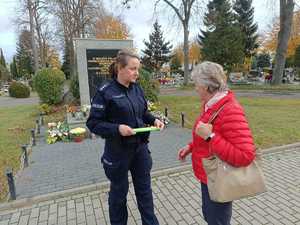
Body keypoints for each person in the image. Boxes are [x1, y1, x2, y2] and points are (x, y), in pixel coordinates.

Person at [86, 49, 164, 225]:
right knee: (119, 195)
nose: (137, 73)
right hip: (118, 152)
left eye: (138, 68)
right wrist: (117, 129)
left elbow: (143, 112)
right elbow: (93, 123)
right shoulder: (105, 91)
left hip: (140, 150)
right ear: (120, 68)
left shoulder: (137, 89)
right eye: (133, 68)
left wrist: (154, 120)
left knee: (145, 192)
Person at [178, 61, 255, 225]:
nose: (195, 88)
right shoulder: (211, 105)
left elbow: (246, 155)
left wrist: (211, 136)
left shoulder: (229, 110)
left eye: (196, 84)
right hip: (208, 176)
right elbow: (205, 135)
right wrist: (191, 147)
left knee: (217, 220)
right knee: (210, 217)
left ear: (207, 86)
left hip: (220, 178)